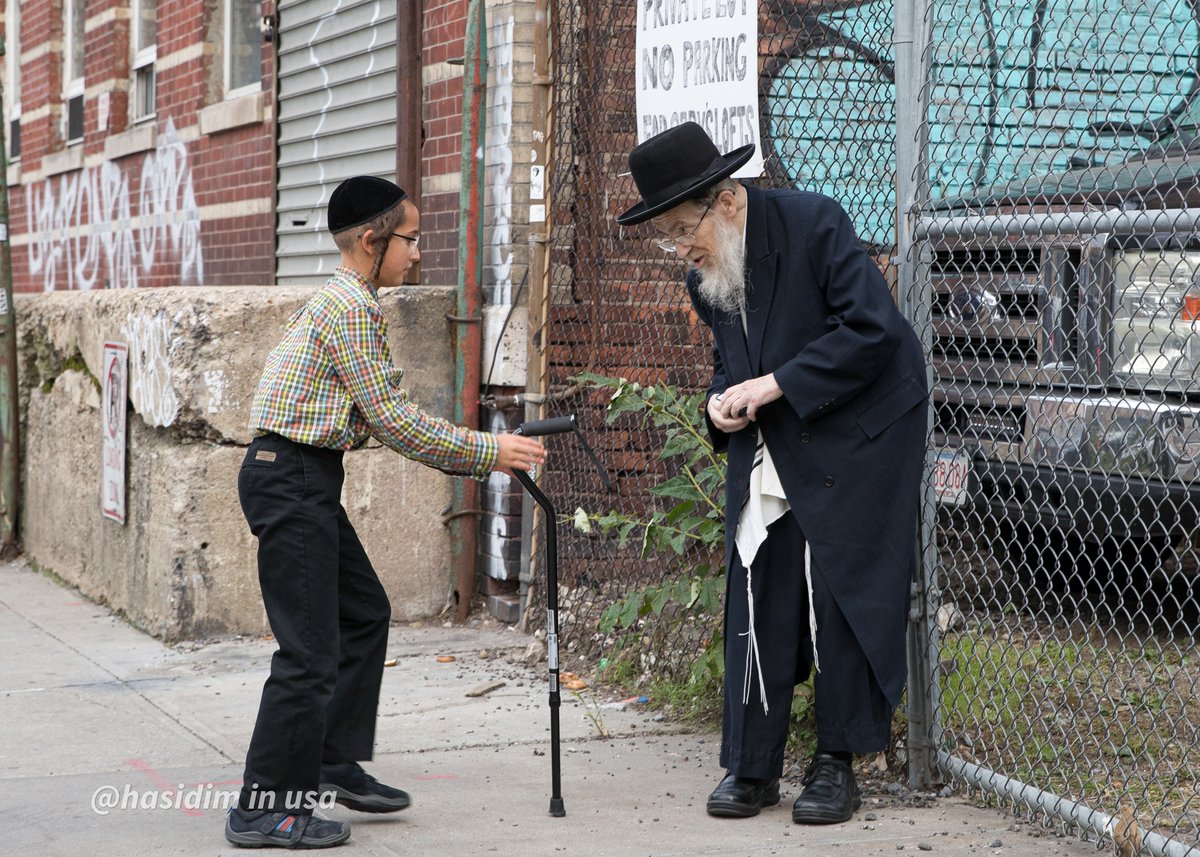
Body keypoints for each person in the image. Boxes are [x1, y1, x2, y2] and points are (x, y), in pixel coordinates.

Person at [616, 123, 927, 825]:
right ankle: (752, 763)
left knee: (837, 586)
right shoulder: (708, 277)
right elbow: (732, 366)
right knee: (759, 580)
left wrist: (776, 383)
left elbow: (873, 330)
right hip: (781, 426)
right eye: (664, 238)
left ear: (726, 202)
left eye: (679, 230)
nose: (678, 250)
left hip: (865, 425)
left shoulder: (816, 223)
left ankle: (836, 762)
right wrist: (718, 403)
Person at [225, 175, 547, 849]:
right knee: (309, 652)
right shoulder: (348, 308)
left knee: (363, 611)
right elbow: (395, 420)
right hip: (291, 479)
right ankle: (261, 806)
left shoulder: (352, 302)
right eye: (410, 237)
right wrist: (491, 450)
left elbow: (383, 414)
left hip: (299, 475)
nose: (418, 252)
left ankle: (330, 758)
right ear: (372, 240)